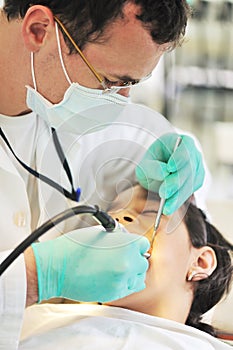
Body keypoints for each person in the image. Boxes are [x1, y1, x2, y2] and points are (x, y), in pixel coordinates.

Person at [0, 1, 207, 348]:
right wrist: (39, 275)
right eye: (111, 81)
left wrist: (179, 174)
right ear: (39, 30)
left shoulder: (74, 104)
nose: (122, 100)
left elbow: (189, 226)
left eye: (133, 84)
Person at [19, 185, 233, 349]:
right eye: (111, 212)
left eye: (149, 212)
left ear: (200, 262)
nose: (118, 218)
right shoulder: (30, 320)